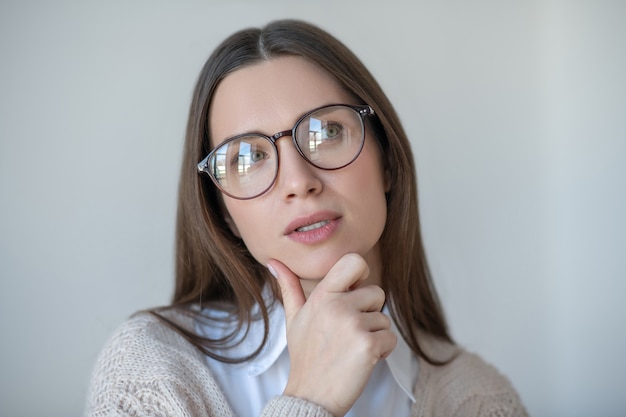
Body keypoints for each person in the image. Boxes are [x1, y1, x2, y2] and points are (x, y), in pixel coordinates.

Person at [86, 19, 528, 417]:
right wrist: (310, 399)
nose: (298, 181)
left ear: (387, 161)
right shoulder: (148, 371)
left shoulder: (479, 401)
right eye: (248, 158)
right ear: (222, 208)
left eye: (327, 132)